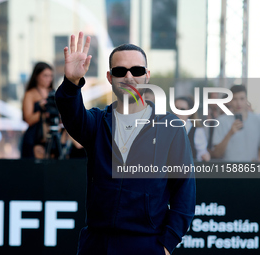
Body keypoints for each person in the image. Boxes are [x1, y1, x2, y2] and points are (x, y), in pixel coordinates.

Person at [55, 32, 195, 255]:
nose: (129, 76)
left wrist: (167, 244)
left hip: (147, 245)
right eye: (120, 71)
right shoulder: (97, 123)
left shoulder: (170, 126)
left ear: (147, 76)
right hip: (97, 244)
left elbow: (184, 190)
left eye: (137, 70)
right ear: (110, 78)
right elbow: (71, 114)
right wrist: (72, 83)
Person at [212, 85, 260, 161]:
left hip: (252, 170)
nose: (238, 103)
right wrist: (230, 133)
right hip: (229, 170)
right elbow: (216, 154)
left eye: (242, 99)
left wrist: (258, 164)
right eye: (235, 99)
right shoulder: (222, 121)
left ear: (246, 99)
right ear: (230, 101)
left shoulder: (258, 120)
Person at [21, 62, 57, 159]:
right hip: (34, 138)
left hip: (51, 136)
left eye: (50, 76)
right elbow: (28, 119)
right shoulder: (30, 94)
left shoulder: (53, 93)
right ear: (37, 76)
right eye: (45, 76)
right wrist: (43, 110)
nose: (48, 79)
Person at [174, 96, 211, 162]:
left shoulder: (197, 131)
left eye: (182, 109)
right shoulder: (166, 127)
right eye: (176, 108)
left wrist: (205, 156)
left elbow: (202, 153)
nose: (178, 112)